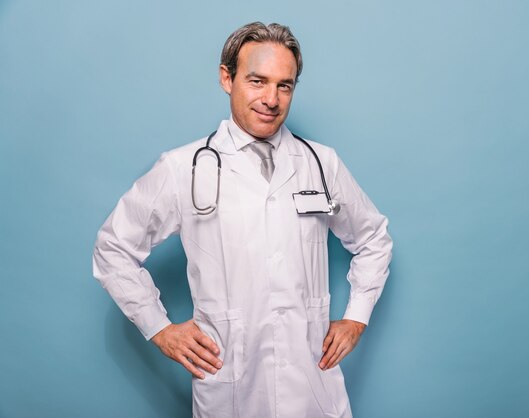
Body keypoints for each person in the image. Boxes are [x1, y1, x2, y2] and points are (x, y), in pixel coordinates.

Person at [93, 22, 392, 418]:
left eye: (284, 85)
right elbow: (112, 248)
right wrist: (159, 328)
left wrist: (356, 318)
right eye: (257, 81)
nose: (271, 98)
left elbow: (374, 238)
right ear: (226, 78)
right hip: (231, 387)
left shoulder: (321, 163)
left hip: (313, 386)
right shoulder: (183, 168)